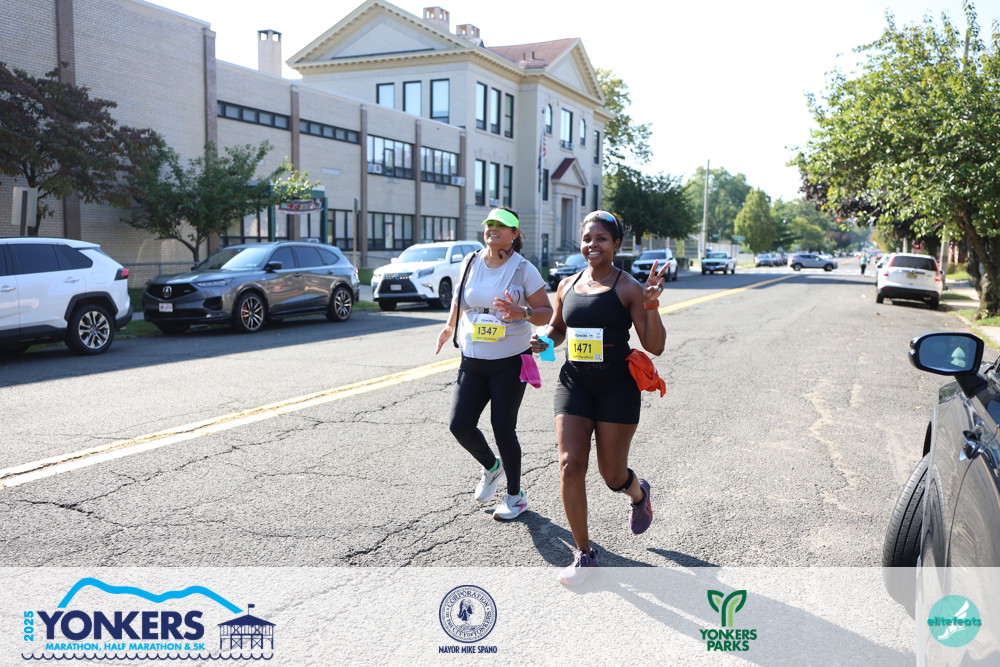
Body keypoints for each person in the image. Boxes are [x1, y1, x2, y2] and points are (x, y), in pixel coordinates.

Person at [531, 210, 667, 584]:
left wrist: (651, 305)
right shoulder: (566, 284)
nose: (593, 245)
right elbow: (558, 329)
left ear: (616, 244)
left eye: (602, 239)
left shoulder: (629, 288)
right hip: (574, 384)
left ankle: (638, 494)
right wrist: (544, 340)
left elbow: (655, 346)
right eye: (588, 238)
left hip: (616, 388)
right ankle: (585, 554)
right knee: (569, 465)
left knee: (612, 475)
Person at [435, 206, 553, 520]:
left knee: (503, 428)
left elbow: (546, 312)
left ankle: (515, 496)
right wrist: (449, 326)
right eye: (490, 223)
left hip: (510, 361)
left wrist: (523, 313)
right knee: (459, 425)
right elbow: (459, 299)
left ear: (515, 234)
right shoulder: (470, 261)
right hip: (472, 359)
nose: (493, 228)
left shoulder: (523, 269)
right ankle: (491, 467)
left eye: (502, 225)